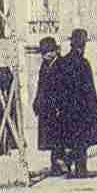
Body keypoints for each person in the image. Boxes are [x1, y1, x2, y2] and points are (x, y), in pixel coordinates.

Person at [56, 28, 97, 179]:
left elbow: (59, 87)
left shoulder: (62, 62)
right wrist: (95, 106)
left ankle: (69, 165)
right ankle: (79, 168)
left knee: (72, 139)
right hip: (82, 109)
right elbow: (89, 88)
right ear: (82, 45)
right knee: (82, 141)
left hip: (67, 109)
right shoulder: (83, 63)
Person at [33, 37, 67, 176]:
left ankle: (60, 163)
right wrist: (36, 102)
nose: (44, 55)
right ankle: (56, 164)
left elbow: (64, 88)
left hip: (57, 108)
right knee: (51, 139)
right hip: (46, 108)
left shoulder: (61, 65)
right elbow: (40, 86)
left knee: (58, 138)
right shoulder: (44, 66)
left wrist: (61, 106)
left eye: (47, 52)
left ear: (54, 52)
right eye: (43, 53)